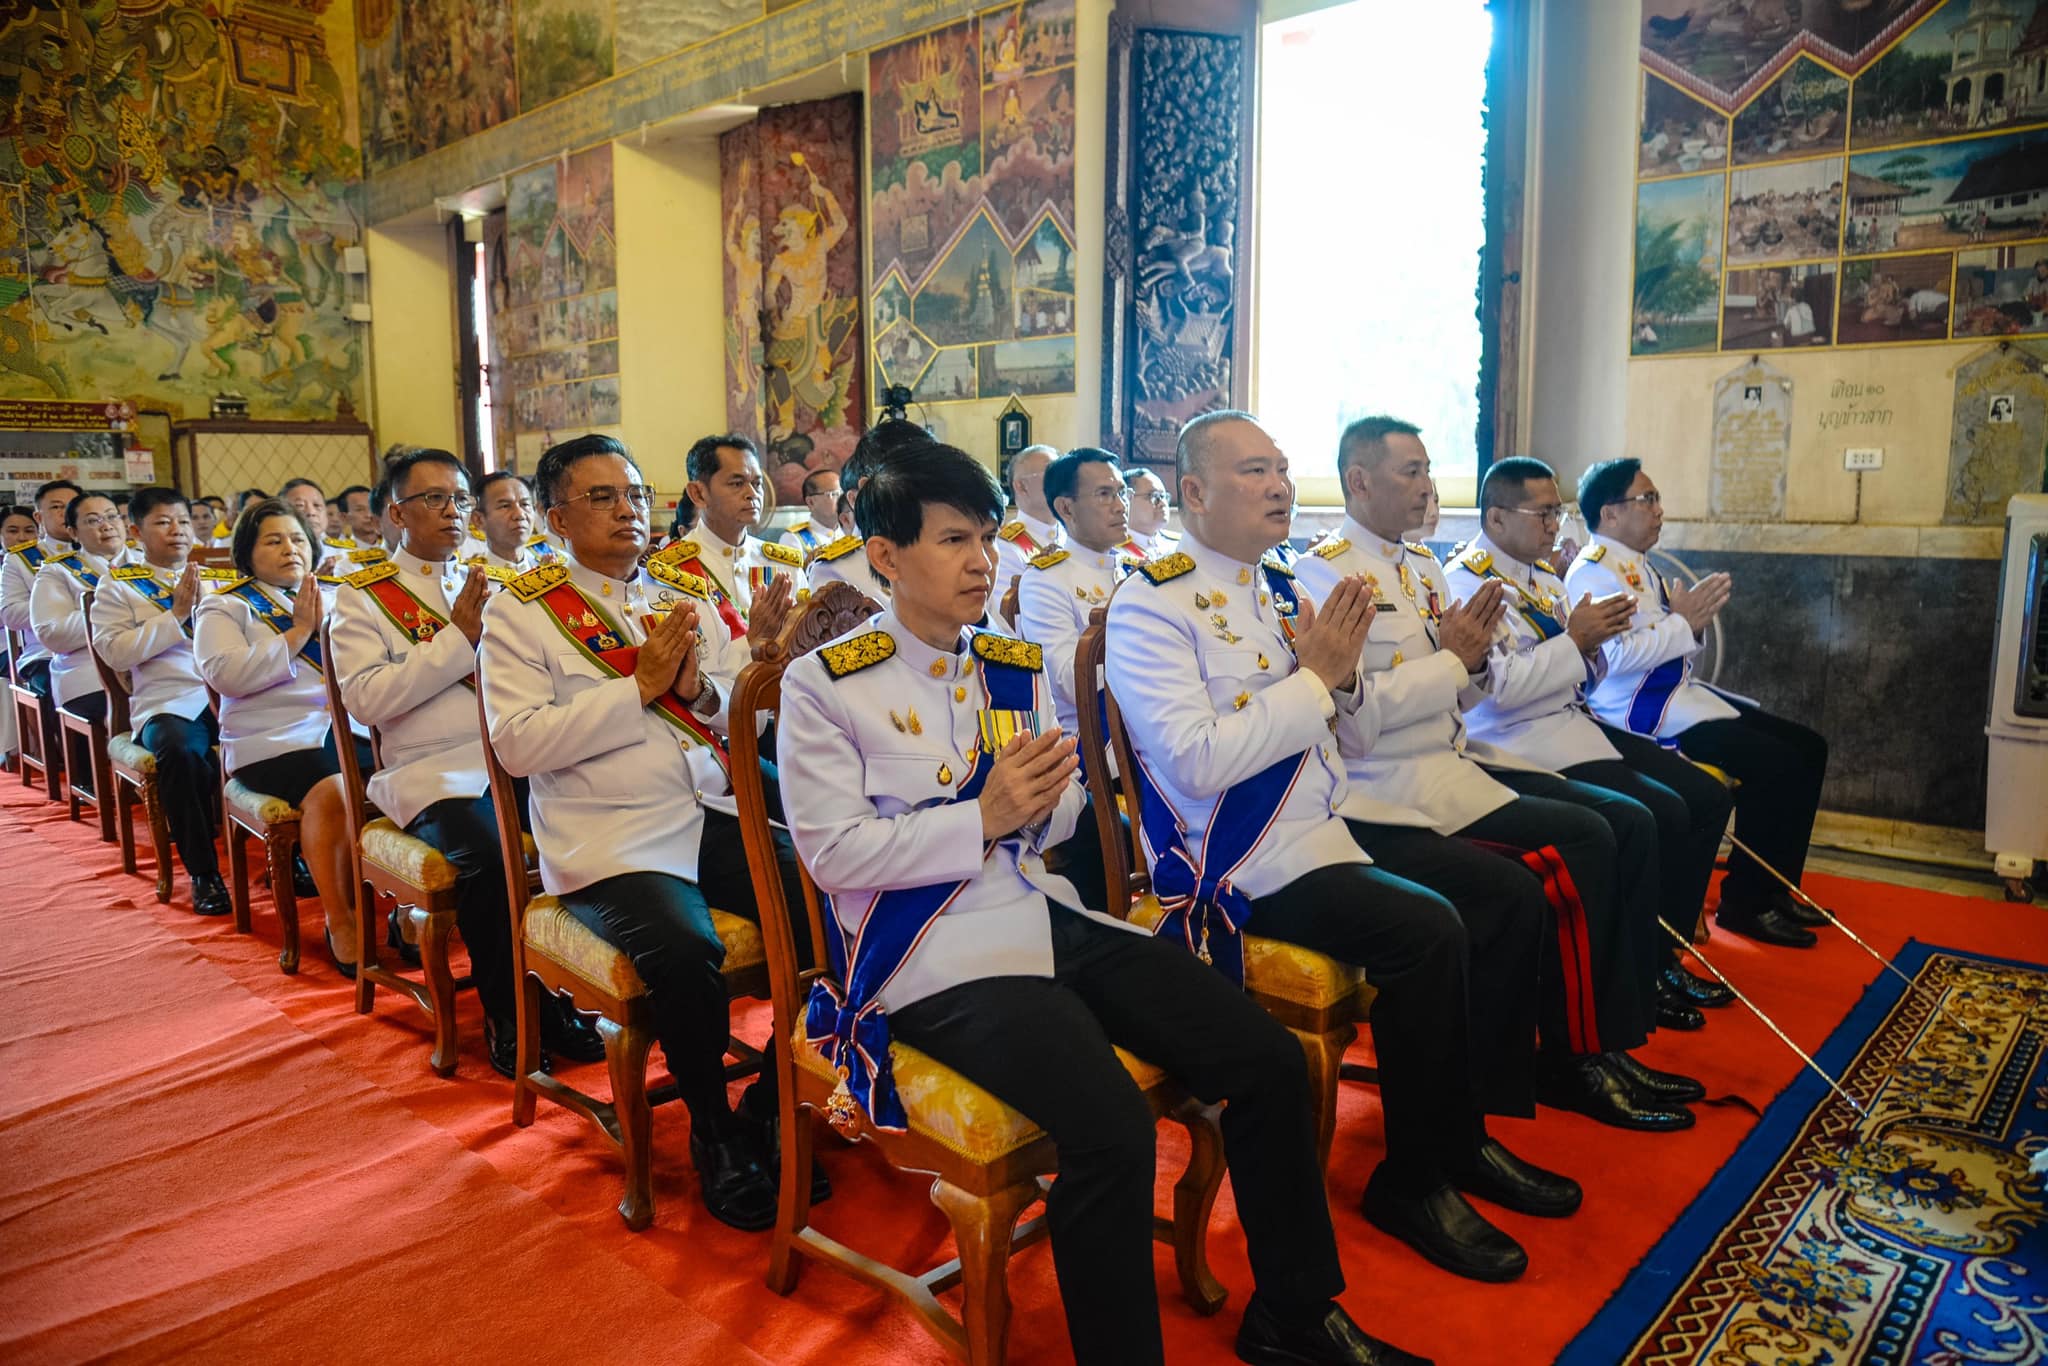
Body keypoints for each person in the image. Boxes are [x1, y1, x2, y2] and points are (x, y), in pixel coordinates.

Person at [780, 439, 1421, 1366]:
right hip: (928, 957)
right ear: (885, 555)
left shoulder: (1006, 665)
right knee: (1112, 1128)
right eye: (954, 541)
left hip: (1037, 912)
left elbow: (1066, 813)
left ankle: (1293, 1314)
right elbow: (833, 856)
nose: (982, 561)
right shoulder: (826, 682)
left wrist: (1043, 803)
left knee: (1266, 1058)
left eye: (987, 537)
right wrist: (983, 815)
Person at [1110, 410, 1578, 1289]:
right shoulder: (1151, 603)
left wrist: (1350, 678)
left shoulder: (1282, 588)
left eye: (1282, 468)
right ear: (1194, 493)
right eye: (1254, 472)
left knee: (1495, 895)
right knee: (1429, 931)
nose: (1280, 486)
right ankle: (1413, 1182)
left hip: (1322, 828)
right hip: (1238, 860)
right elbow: (1196, 762)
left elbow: (1353, 734)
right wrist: (1315, 679)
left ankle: (1459, 1138)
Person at [1297, 419, 1700, 1123]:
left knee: (1614, 824)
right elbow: (1358, 718)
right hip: (1390, 784)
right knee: (1581, 842)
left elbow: (1474, 692)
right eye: (1411, 472)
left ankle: (1601, 1044)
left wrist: (1474, 663)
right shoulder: (1323, 573)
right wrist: (1458, 663)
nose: (1427, 487)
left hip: (1455, 763)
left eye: (1429, 470)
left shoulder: (1422, 568)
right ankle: (1573, 1058)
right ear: (1358, 481)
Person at [479, 434, 816, 1231]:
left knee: (827, 902)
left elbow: (728, 712)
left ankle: (773, 1101)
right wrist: (639, 686)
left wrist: (702, 692)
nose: (627, 510)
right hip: (611, 836)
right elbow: (518, 745)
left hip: (705, 810)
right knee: (686, 951)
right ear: (556, 517)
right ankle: (713, 1130)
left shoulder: (675, 593)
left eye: (634, 494)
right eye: (602, 497)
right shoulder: (520, 612)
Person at [329, 449, 597, 1073]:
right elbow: (365, 700)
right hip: (431, 772)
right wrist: (458, 640)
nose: (452, 511)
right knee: (489, 854)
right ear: (397, 513)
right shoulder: (363, 598)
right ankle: (511, 1010)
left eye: (459, 499)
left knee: (591, 813)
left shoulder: (494, 581)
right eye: (433, 499)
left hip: (514, 756)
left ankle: (572, 990)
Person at [1446, 458, 1733, 1019]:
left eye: (1558, 512)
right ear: (1497, 518)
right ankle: (1639, 973)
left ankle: (1662, 957)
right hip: (1520, 741)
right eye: (1543, 513)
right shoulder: (1468, 582)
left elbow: (1587, 672)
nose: (1555, 526)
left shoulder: (1546, 578)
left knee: (1699, 798)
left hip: (1573, 725)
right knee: (1650, 815)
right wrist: (1576, 643)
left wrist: (1593, 649)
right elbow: (1497, 691)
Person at [1567, 459, 1830, 949]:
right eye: (1647, 499)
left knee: (1809, 748)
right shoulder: (1594, 573)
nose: (1659, 510)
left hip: (1676, 698)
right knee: (1775, 762)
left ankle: (1775, 889)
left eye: (1657, 499)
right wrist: (1683, 624)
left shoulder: (1637, 566)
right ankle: (1745, 903)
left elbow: (1671, 642)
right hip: (1637, 713)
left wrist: (1691, 625)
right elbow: (1615, 659)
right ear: (1610, 513)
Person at [193, 498, 371, 895]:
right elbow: (225, 675)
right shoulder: (226, 606)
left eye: (297, 539)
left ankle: (405, 908)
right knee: (334, 789)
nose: (290, 549)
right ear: (247, 552)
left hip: (350, 727)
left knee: (410, 772)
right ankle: (341, 918)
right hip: (273, 737)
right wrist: (299, 632)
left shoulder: (341, 597)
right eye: (274, 541)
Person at [89, 487, 228, 915]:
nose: (177, 531)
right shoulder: (118, 587)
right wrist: (176, 616)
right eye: (163, 523)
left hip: (229, 693)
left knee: (290, 734)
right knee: (180, 753)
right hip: (169, 700)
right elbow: (115, 652)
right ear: (136, 532)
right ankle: (203, 873)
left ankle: (292, 853)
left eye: (183, 522)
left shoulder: (220, 579)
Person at [1014, 446, 1137, 911]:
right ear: (1066, 508)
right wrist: (1137, 639)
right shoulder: (1047, 579)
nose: (1120, 505)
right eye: (1104, 494)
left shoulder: (1139, 570)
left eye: (1122, 493)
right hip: (1090, 746)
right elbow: (1068, 679)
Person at [670, 433, 807, 624]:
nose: (752, 494)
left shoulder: (784, 565)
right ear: (698, 493)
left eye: (757, 484)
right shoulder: (671, 569)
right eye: (737, 483)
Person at [30, 490, 131, 731]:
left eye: (112, 517)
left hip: (158, 672)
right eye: (93, 520)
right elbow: (52, 633)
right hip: (88, 675)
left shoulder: (147, 563)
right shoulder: (57, 571)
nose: (106, 526)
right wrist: (114, 612)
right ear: (73, 532)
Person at [2, 479, 82, 770]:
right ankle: (76, 766)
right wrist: (56, 610)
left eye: (71, 506)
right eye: (56, 507)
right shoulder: (21, 559)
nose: (64, 513)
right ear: (39, 516)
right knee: (53, 686)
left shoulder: (101, 553)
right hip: (46, 651)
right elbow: (10, 614)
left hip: (105, 646)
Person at [993, 444, 1063, 619]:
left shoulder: (1071, 535)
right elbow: (1007, 618)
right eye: (1051, 474)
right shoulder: (1006, 546)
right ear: (1021, 487)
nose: (1061, 482)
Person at [468, 470, 543, 577]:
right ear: (478, 520)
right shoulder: (471, 577)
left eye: (525, 504)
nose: (519, 515)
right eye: (505, 506)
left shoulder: (551, 567)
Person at [778, 468, 842, 559]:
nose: (842, 499)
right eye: (834, 494)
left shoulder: (851, 532)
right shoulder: (793, 539)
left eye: (842, 493)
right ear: (811, 502)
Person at [1123, 467, 1178, 560]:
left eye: (1163, 496)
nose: (1162, 503)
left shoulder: (1178, 544)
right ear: (1126, 500)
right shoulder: (1113, 552)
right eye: (1154, 496)